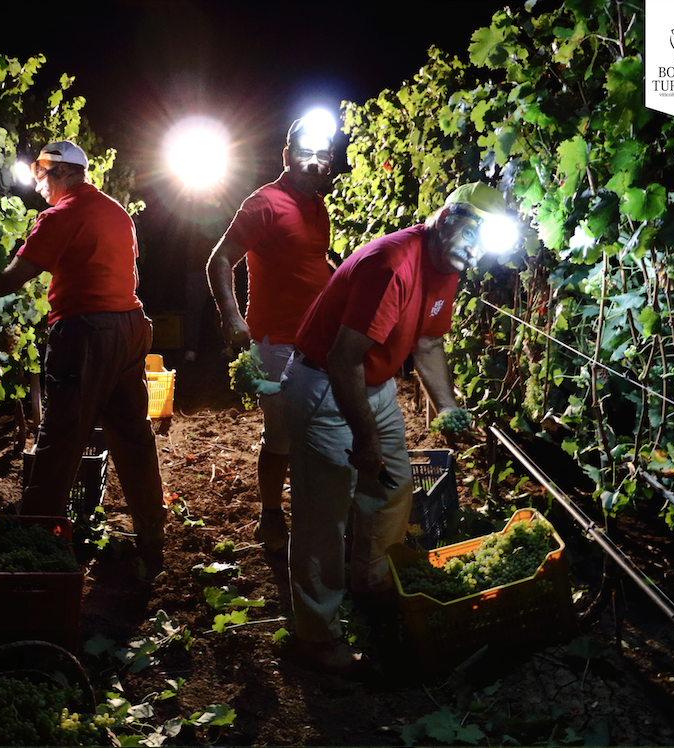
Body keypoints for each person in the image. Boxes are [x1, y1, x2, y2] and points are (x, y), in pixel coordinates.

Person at [282, 182, 513, 675]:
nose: (475, 253)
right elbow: (344, 360)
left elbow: (428, 345)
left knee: (393, 488)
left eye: (484, 244)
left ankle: (370, 582)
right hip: (326, 385)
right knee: (323, 518)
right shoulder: (393, 266)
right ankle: (316, 637)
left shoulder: (447, 264)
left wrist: (448, 410)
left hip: (373, 382)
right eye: (473, 236)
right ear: (448, 216)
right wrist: (364, 441)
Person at [0, 140, 166, 559]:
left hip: (87, 332)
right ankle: (151, 531)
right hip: (131, 327)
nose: (38, 185)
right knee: (132, 432)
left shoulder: (60, 216)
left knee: (61, 435)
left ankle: (33, 538)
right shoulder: (116, 212)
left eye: (41, 175)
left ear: (62, 171)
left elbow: (13, 279)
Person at [206, 114, 336, 552]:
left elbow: (313, 265)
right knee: (281, 434)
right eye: (305, 152)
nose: (314, 161)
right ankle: (271, 517)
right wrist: (231, 315)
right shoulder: (265, 202)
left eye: (322, 154)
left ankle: (311, 517)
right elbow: (220, 259)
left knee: (317, 431)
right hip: (276, 343)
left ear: (330, 160)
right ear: (287, 155)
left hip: (318, 341)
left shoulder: (317, 206)